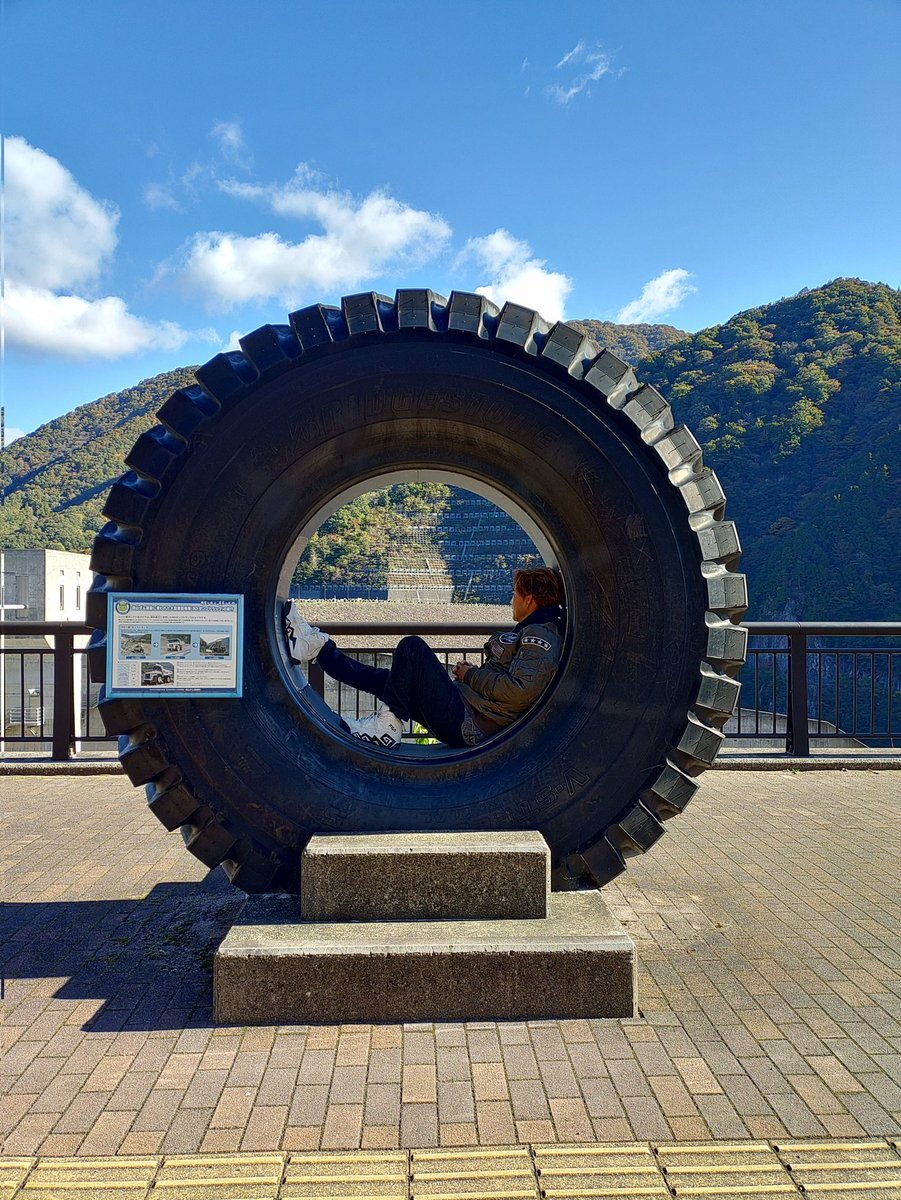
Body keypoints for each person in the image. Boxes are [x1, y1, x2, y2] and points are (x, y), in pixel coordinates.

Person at [283, 567, 565, 749]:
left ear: (530, 600)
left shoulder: (541, 637)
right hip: (464, 707)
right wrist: (469, 676)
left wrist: (471, 675)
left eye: (515, 594)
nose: (511, 600)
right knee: (386, 680)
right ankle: (317, 648)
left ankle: (388, 727)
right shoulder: (531, 631)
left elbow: (519, 691)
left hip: (468, 723)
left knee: (412, 647)